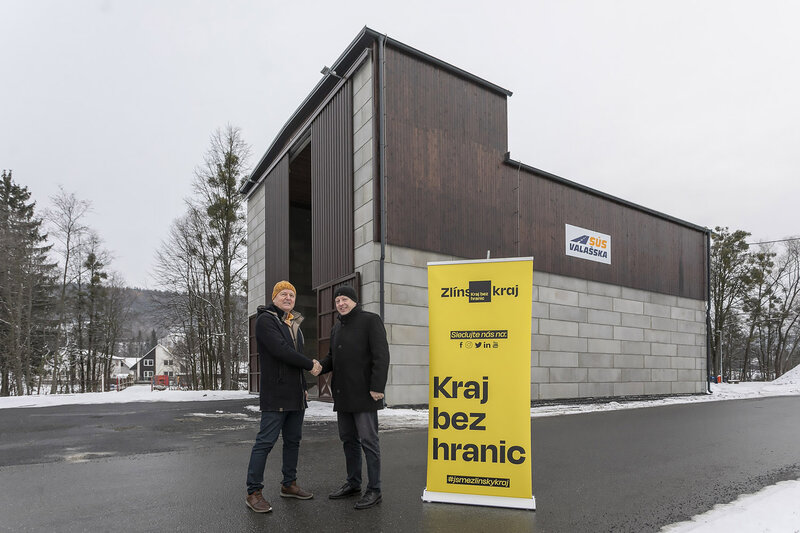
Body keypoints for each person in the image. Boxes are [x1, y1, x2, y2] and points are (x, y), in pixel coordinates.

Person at [245, 280, 322, 513]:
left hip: (296, 394)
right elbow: (281, 351)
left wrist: (304, 386)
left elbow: (294, 357)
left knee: (293, 441)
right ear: (274, 297)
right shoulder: (266, 320)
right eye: (283, 294)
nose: (288, 298)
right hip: (276, 393)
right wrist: (310, 364)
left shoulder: (293, 323)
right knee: (265, 442)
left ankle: (289, 484)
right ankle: (253, 492)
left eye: (292, 295)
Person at [315, 285, 390, 510]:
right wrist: (319, 366)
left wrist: (377, 386)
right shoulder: (337, 328)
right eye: (337, 301)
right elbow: (332, 357)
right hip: (343, 394)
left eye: (345, 299)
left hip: (365, 394)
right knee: (348, 440)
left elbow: (381, 355)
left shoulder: (370, 320)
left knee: (369, 442)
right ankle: (353, 483)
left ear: (355, 301)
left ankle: (375, 489)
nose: (341, 304)